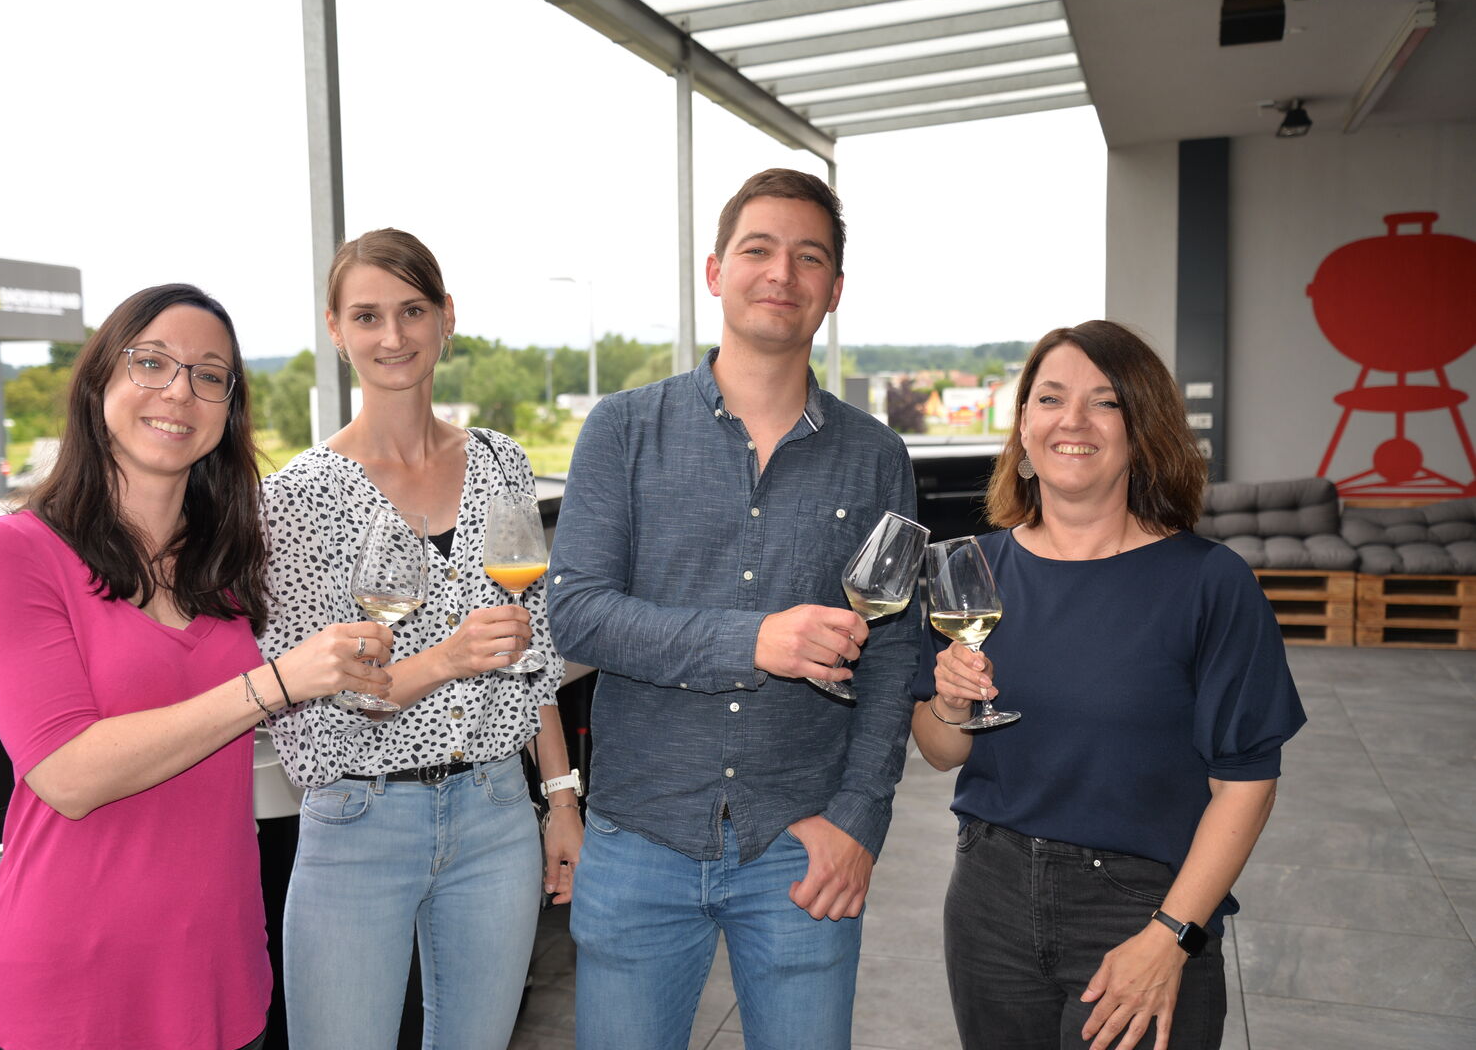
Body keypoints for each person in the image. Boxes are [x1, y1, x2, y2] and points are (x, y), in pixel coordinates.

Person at [0, 284, 395, 1050]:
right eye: (151, 362)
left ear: (228, 409)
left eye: (209, 374)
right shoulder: (16, 552)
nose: (178, 392)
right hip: (62, 995)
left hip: (219, 986)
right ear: (100, 382)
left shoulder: (230, 563)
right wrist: (279, 683)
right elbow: (66, 774)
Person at [547, 168, 919, 1050]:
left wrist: (860, 821)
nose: (781, 273)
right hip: (638, 842)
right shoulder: (623, 429)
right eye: (758, 250)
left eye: (808, 257)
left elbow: (897, 655)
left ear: (834, 290)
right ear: (715, 271)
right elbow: (578, 614)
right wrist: (755, 640)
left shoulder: (877, 457)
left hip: (803, 850)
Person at [911, 320, 1307, 1050]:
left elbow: (1248, 783)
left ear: (1141, 430)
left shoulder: (1208, 583)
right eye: (1050, 398)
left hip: (1141, 904)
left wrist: (1171, 935)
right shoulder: (970, 571)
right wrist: (950, 703)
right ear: (1024, 428)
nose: (1073, 420)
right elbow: (941, 751)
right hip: (988, 898)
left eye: (1104, 402)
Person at [259, 228, 580, 1050]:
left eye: (411, 311)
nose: (392, 336)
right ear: (335, 329)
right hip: (359, 819)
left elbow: (530, 650)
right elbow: (313, 710)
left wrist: (562, 800)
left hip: (497, 813)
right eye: (367, 316)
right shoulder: (298, 497)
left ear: (446, 319)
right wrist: (447, 658)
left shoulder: (504, 464)